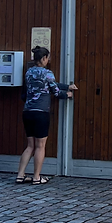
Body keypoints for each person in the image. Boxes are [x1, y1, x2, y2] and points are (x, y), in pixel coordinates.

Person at [16, 46, 77, 184]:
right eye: (48, 58)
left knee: (30, 146)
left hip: (27, 112)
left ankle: (20, 175)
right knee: (40, 146)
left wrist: (67, 86)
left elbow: (27, 93)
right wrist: (67, 94)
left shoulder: (28, 73)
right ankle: (37, 177)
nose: (48, 60)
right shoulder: (47, 73)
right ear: (44, 58)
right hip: (41, 113)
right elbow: (54, 91)